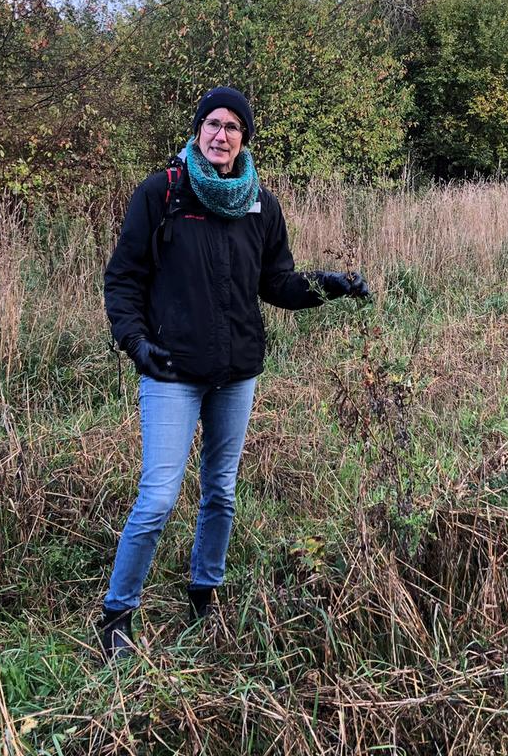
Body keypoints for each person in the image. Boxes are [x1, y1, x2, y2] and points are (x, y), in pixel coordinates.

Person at [98, 86, 369, 660]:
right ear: (197, 130)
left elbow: (277, 283)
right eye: (212, 124)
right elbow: (123, 279)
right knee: (158, 498)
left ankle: (205, 592)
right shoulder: (162, 193)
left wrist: (330, 285)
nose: (221, 136)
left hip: (236, 371)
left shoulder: (260, 205)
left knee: (221, 491)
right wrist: (135, 343)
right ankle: (118, 614)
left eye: (233, 128)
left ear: (245, 138)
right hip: (171, 371)